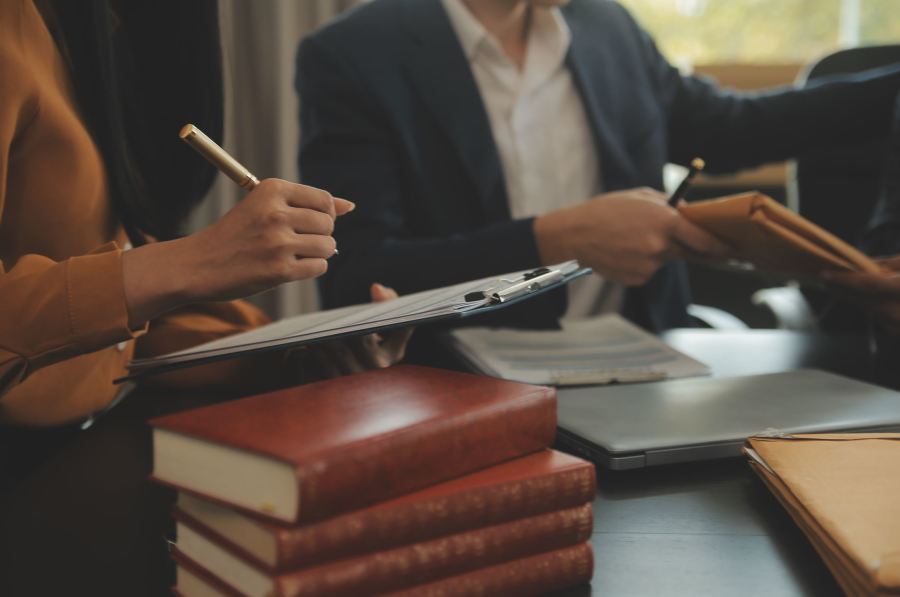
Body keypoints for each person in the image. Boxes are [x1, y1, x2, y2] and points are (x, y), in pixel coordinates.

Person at [296, 0, 900, 339]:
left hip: (644, 360)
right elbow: (358, 277)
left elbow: (731, 129)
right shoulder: (353, 55)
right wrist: (549, 241)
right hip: (463, 377)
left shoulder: (605, 26)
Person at [0, 0, 410, 430]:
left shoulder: (106, 29)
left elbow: (127, 335)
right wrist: (193, 262)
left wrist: (301, 357)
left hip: (99, 426)